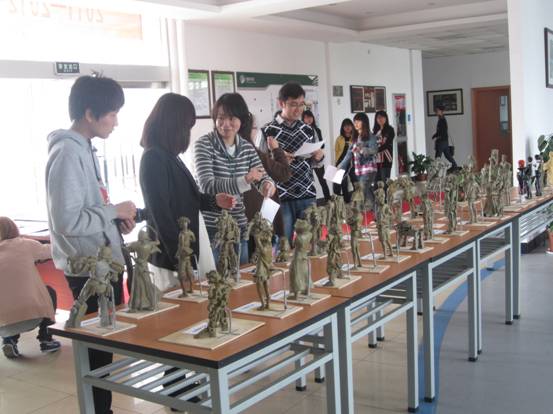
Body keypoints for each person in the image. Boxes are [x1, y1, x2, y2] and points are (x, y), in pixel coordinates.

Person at [45, 75, 136, 414]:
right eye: (111, 114)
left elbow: (89, 208)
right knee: (96, 356)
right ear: (89, 113)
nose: (115, 122)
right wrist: (111, 212)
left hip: (103, 263)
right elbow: (67, 221)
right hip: (88, 271)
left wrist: (114, 220)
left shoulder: (84, 148)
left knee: (103, 353)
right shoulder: (67, 153)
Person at [139, 93, 235, 290]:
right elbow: (160, 215)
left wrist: (213, 201)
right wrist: (181, 262)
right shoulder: (153, 158)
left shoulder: (169, 156)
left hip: (189, 245)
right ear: (174, 126)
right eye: (187, 127)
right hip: (171, 257)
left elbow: (186, 198)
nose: (188, 133)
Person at [195, 93, 275, 264]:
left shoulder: (246, 147)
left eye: (231, 118)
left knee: (241, 276)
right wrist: (244, 180)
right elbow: (207, 185)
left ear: (241, 120)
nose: (226, 124)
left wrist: (267, 185)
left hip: (239, 226)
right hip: (213, 228)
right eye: (220, 118)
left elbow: (262, 176)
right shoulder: (203, 144)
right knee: (216, 277)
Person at [259, 82, 325, 243]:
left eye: (301, 104)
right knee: (283, 245)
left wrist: (320, 156)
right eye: (293, 104)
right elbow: (259, 165)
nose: (299, 109)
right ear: (281, 103)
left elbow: (318, 164)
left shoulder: (309, 130)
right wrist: (277, 159)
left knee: (311, 244)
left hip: (307, 194)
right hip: (281, 197)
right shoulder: (267, 131)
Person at [0, 217, 60, 359]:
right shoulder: (25, 244)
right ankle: (46, 339)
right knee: (49, 292)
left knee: (8, 300)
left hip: (3, 323)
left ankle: (9, 341)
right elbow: (53, 250)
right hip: (32, 316)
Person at [243, 114, 291, 251]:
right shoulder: (251, 151)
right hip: (258, 215)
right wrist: (276, 149)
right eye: (255, 128)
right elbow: (284, 173)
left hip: (253, 214)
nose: (257, 132)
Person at [337, 112, 378, 211]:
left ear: (364, 122)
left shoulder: (370, 136)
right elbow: (348, 155)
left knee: (361, 191)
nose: (355, 123)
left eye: (358, 121)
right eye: (354, 121)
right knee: (367, 192)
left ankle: (359, 213)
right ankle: (377, 211)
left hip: (369, 169)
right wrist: (339, 167)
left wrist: (362, 149)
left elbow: (374, 150)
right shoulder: (354, 139)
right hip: (359, 171)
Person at [302, 109, 331, 201]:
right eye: (306, 117)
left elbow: (322, 145)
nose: (308, 119)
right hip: (307, 160)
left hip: (317, 159)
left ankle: (328, 201)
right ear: (303, 119)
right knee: (308, 183)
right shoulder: (301, 131)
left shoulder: (317, 130)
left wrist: (316, 149)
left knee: (323, 181)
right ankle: (311, 203)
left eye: (310, 117)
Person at [333, 118, 356, 202]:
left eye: (349, 125)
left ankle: (356, 201)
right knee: (340, 184)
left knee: (355, 182)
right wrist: (337, 163)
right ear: (342, 127)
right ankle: (341, 202)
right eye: (345, 126)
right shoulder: (339, 138)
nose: (347, 127)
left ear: (352, 126)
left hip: (353, 164)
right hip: (341, 163)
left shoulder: (355, 138)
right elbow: (336, 151)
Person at [432, 104, 458, 170]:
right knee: (447, 155)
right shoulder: (442, 119)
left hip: (441, 141)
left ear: (441, 111)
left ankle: (436, 170)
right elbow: (442, 130)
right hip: (445, 141)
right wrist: (435, 135)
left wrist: (436, 135)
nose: (436, 112)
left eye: (437, 110)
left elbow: (442, 131)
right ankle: (455, 166)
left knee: (437, 157)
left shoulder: (442, 120)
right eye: (436, 110)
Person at [373, 110, 395, 183]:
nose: (380, 119)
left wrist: (375, 150)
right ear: (376, 119)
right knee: (376, 182)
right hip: (376, 160)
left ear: (386, 118)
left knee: (385, 182)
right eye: (378, 117)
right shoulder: (375, 131)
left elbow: (387, 144)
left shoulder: (390, 130)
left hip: (386, 159)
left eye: (382, 117)